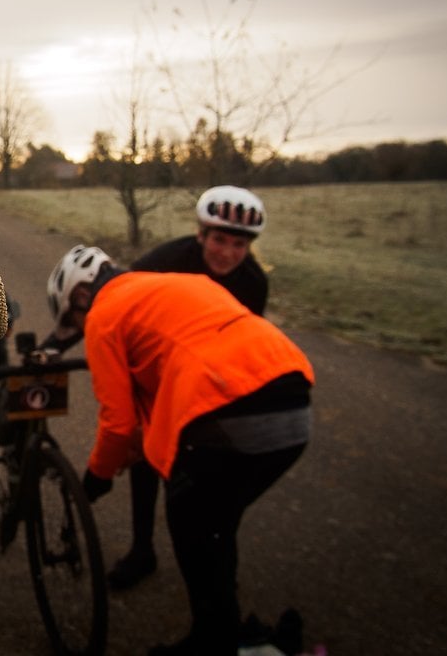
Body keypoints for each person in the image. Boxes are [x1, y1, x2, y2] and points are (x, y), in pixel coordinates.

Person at [46, 244, 312, 656]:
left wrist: (95, 479)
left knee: (192, 521)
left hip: (226, 408)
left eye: (73, 320)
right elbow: (160, 397)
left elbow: (118, 424)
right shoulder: (184, 284)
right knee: (214, 524)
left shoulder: (102, 315)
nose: (80, 329)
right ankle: (231, 635)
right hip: (292, 401)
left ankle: (212, 642)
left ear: (81, 295)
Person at [44, 185, 271, 590]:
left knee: (200, 487)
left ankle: (211, 570)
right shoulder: (163, 262)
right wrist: (53, 347)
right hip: (160, 368)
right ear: (201, 234)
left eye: (240, 245)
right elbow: (108, 310)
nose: (227, 253)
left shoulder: (254, 282)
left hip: (208, 378)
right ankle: (142, 548)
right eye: (219, 239)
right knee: (145, 451)